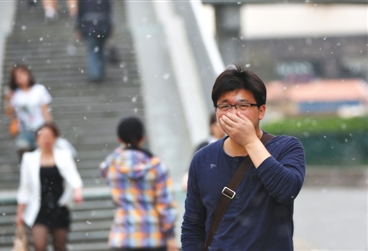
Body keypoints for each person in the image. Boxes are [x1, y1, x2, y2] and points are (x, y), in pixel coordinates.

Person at [181, 65, 306, 251]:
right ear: (216, 112)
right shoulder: (202, 159)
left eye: (243, 106)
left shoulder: (286, 147)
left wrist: (250, 141)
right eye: (224, 106)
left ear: (261, 111)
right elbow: (192, 227)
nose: (233, 113)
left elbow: (286, 191)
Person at [99, 116, 178, 251]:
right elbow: (165, 203)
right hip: (153, 237)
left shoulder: (111, 164)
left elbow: (104, 168)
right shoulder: (157, 165)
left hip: (122, 237)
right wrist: (170, 233)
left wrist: (124, 147)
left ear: (119, 139)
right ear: (143, 137)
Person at [16, 123, 83, 251]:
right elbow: (25, 187)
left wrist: (78, 191)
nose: (46, 139)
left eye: (50, 136)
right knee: (39, 244)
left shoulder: (64, 156)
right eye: (43, 136)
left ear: (55, 138)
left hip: (59, 206)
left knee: (60, 245)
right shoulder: (29, 159)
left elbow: (74, 177)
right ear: (37, 139)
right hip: (38, 208)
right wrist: (19, 213)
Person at [5, 65, 52, 161]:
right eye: (17, 76)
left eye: (23, 74)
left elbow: (45, 111)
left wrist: (50, 127)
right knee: (23, 151)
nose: (21, 78)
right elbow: (10, 114)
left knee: (39, 154)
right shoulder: (15, 94)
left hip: (40, 128)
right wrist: (8, 100)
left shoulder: (38, 90)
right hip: (24, 129)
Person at [181, 113, 225, 191]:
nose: (219, 128)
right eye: (217, 124)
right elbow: (192, 165)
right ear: (212, 126)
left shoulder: (231, 144)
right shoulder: (203, 146)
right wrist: (186, 177)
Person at [76, 0, 112, 82]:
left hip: (90, 26)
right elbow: (109, 11)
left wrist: (78, 27)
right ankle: (100, 72)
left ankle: (95, 74)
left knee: (93, 50)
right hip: (103, 26)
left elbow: (79, 13)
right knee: (100, 50)